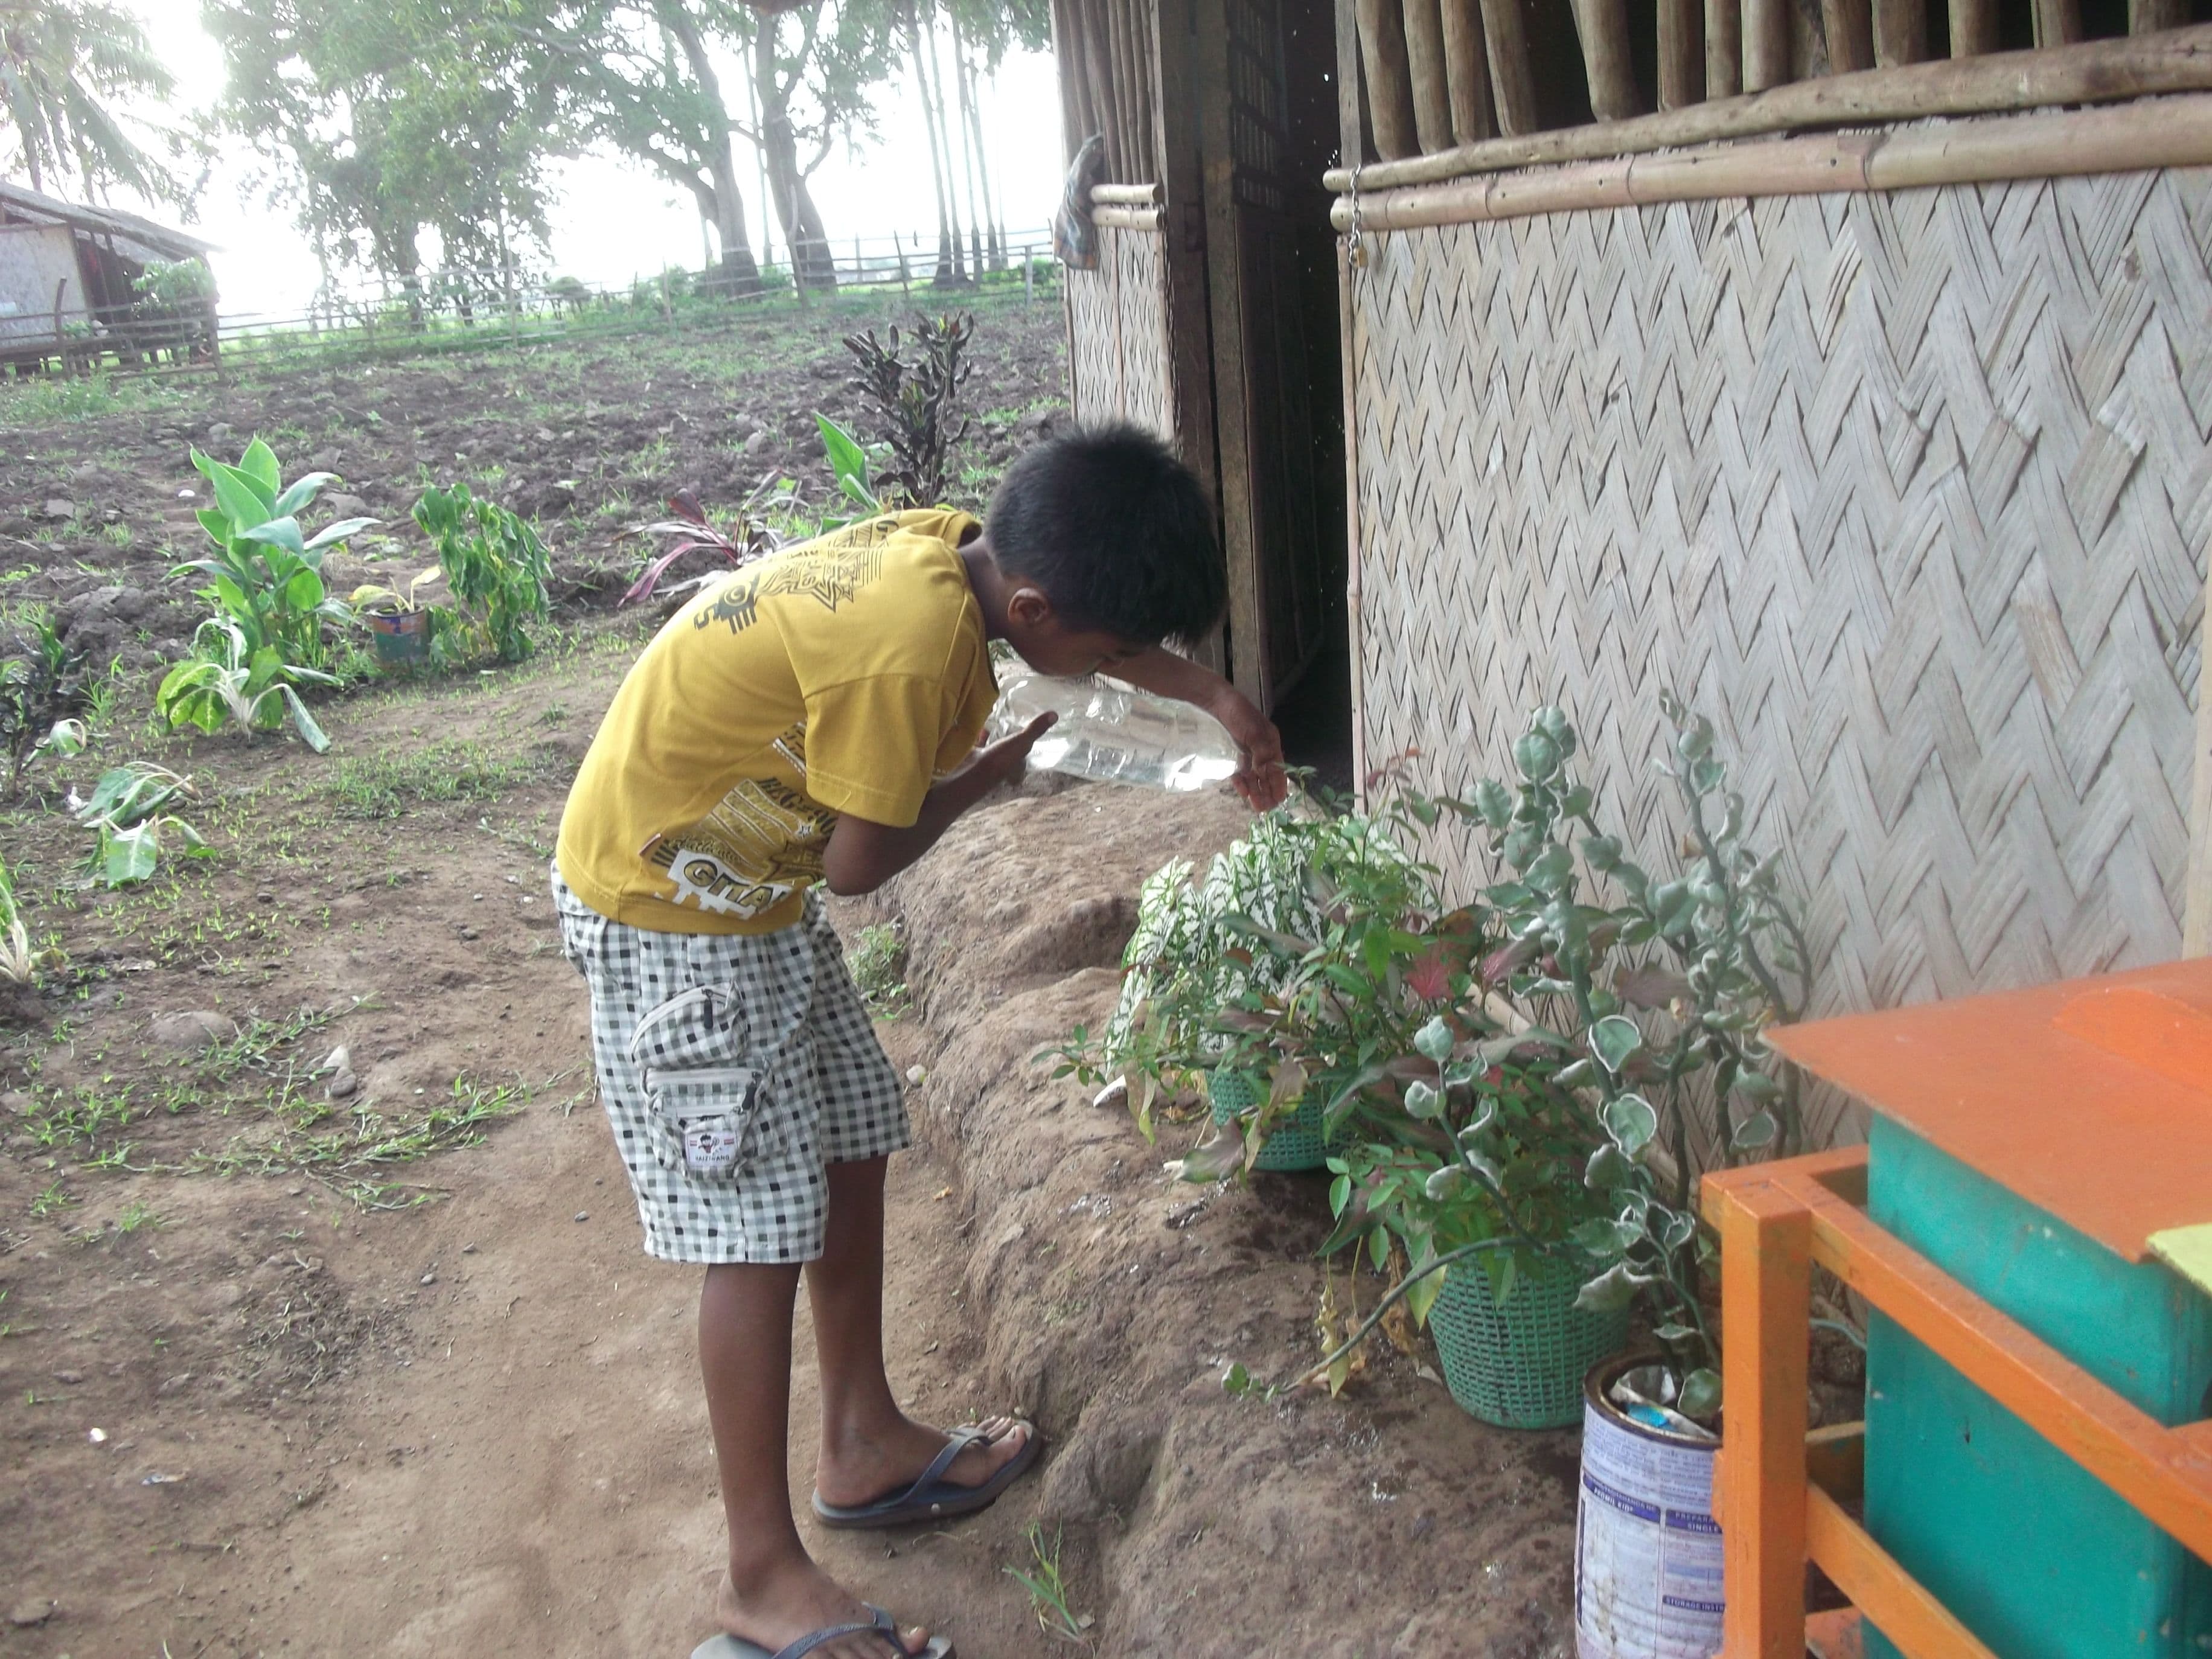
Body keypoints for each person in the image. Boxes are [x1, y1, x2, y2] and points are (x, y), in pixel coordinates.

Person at [551, 423, 1287, 1659]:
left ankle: (859, 1443)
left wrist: (1215, 700)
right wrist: (997, 774)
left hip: (742, 892)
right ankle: (759, 1572)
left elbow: (1088, 638)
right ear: (1039, 608)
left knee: (847, 1145)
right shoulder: (904, 655)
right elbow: (859, 864)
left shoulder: (962, 560)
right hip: (669, 913)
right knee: (750, 1233)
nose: (1116, 669)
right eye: (1109, 656)